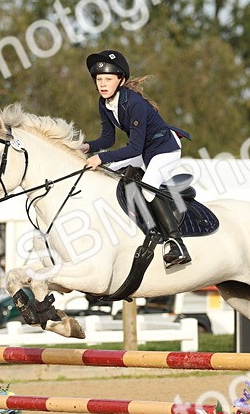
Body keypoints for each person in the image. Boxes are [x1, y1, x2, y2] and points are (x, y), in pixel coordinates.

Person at [81, 49, 193, 267]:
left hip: (164, 149)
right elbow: (107, 139)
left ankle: (175, 242)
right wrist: (86, 147)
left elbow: (133, 149)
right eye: (99, 79)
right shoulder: (103, 103)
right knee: (107, 172)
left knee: (147, 187)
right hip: (143, 151)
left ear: (120, 80)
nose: (102, 84)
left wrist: (101, 159)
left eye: (108, 79)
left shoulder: (135, 104)